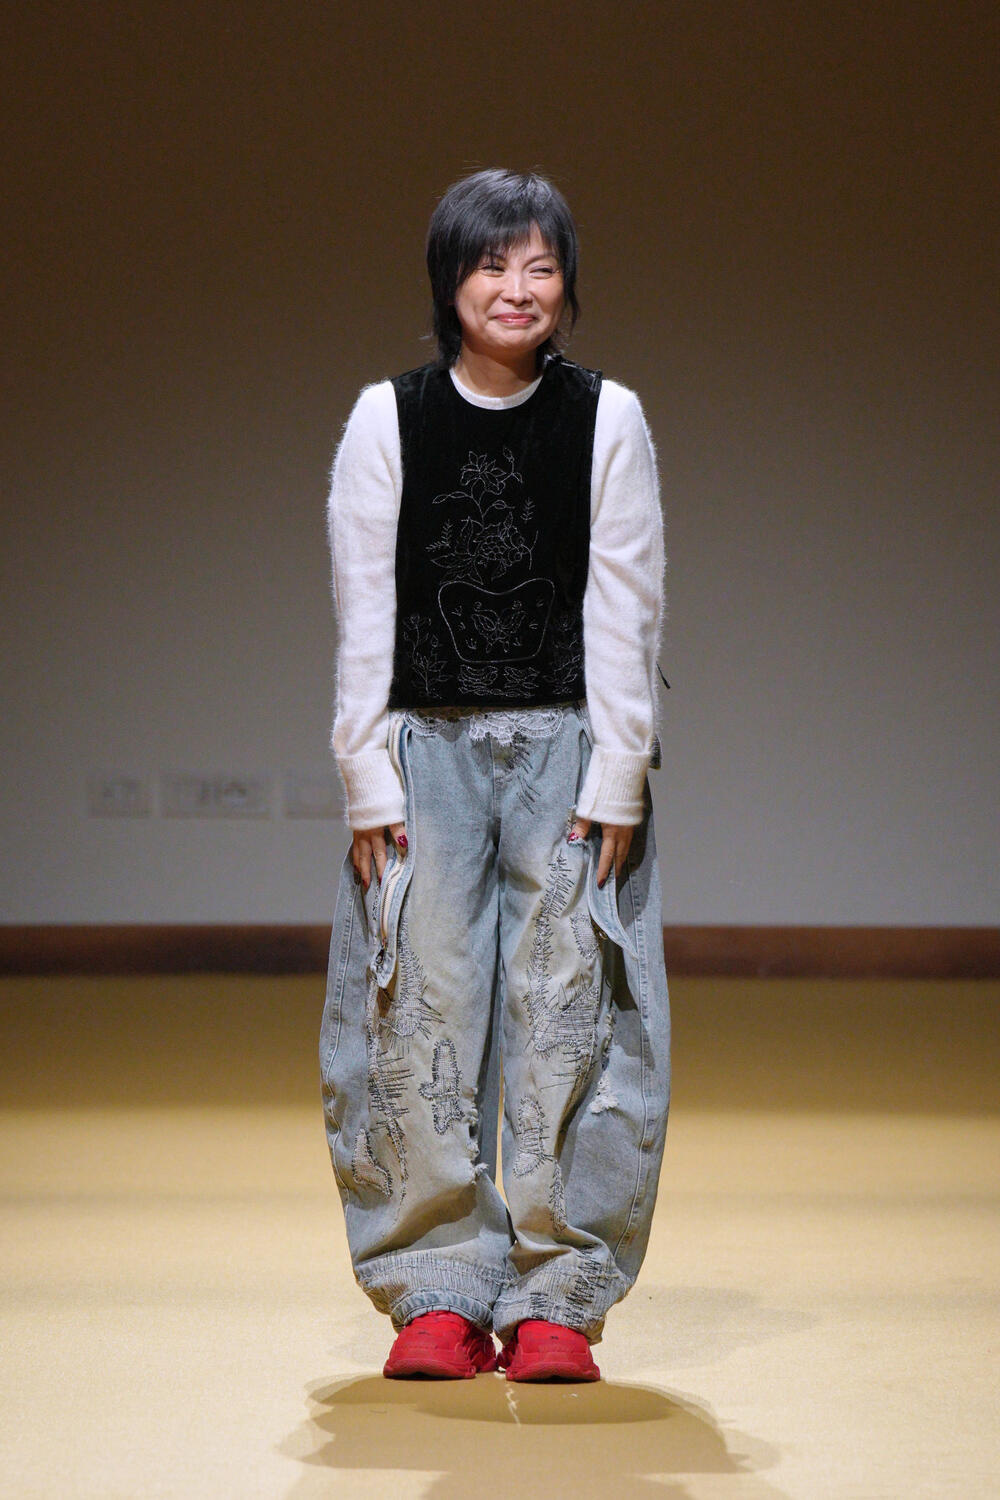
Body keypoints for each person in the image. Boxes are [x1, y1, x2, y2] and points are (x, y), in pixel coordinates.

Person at [319, 168, 670, 1382]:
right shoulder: (389, 416)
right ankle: (436, 1287)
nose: (516, 288)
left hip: (566, 746)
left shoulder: (606, 416)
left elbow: (625, 605)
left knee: (575, 1009)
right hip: (426, 748)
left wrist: (620, 770)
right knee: (414, 1005)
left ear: (566, 285)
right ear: (449, 281)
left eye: (540, 266)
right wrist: (364, 773)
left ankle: (559, 1293)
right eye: (490, 264)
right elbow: (365, 610)